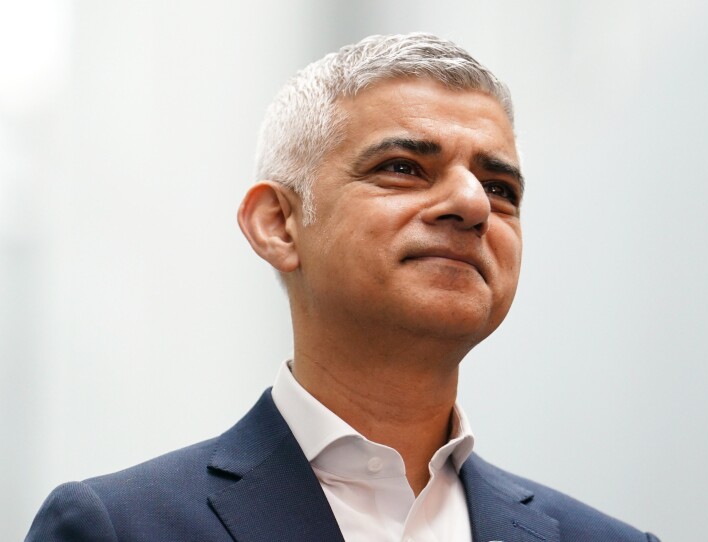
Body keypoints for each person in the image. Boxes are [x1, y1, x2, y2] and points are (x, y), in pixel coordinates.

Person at [26, 33, 660, 542]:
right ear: (279, 224)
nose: (473, 204)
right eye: (404, 168)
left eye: (501, 188)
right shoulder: (117, 528)